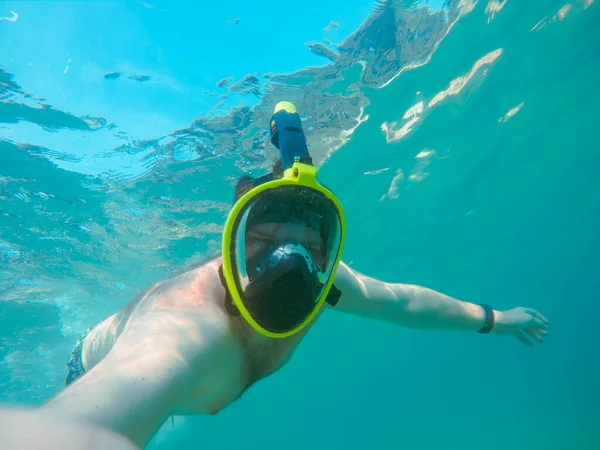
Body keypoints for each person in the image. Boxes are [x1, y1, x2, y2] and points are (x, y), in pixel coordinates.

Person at [40, 102, 550, 449]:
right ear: (234, 242)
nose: (291, 261)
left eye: (308, 243)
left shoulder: (326, 285)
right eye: (265, 238)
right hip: (88, 370)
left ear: (326, 251)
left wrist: (496, 318)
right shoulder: (187, 330)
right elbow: (94, 414)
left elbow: (403, 302)